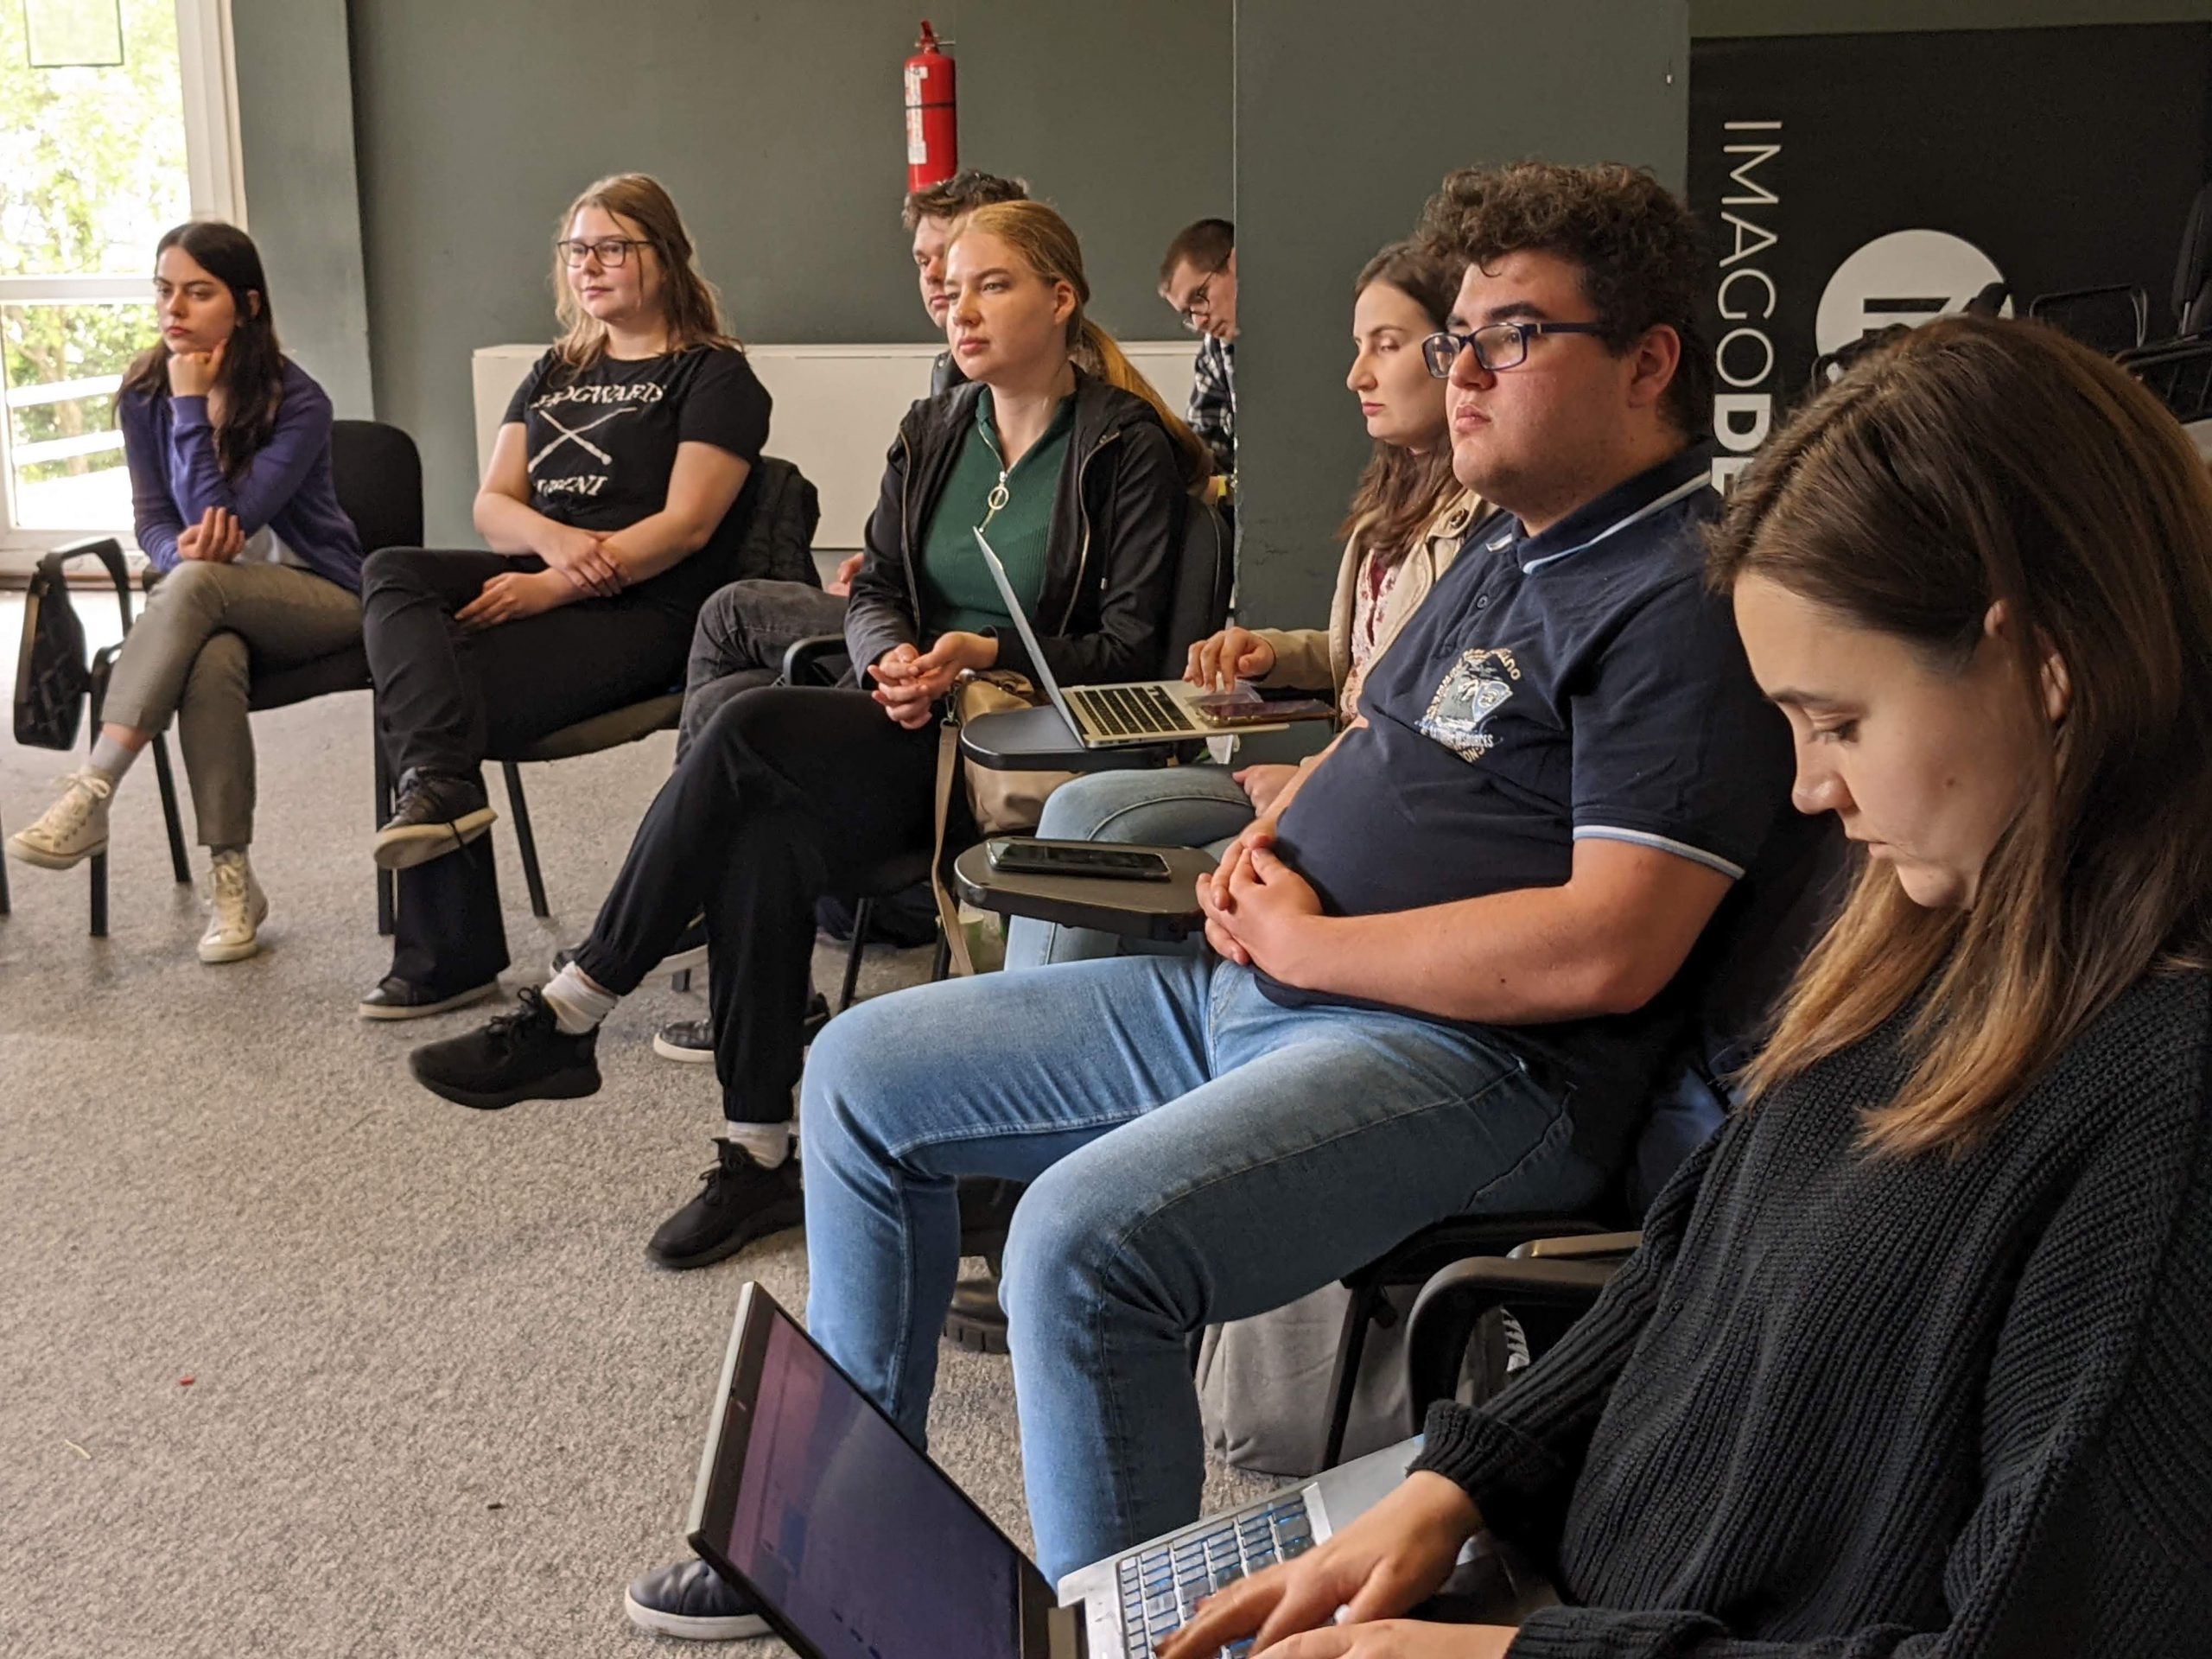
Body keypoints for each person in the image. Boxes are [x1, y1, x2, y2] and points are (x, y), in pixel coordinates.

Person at [613, 158, 1805, 1640]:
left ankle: (1112, 1633)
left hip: (1477, 1067)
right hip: (1278, 982)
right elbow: (1389, 733)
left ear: (1649, 362)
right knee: (858, 1075)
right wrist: (1293, 823)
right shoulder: (1516, 539)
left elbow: (1615, 945)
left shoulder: (1682, 595)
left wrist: (1321, 934)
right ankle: (854, 1528)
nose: (1461, 372)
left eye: (1510, 338)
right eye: (1457, 338)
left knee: (1078, 1247)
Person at [1160, 315, 2212, 1659]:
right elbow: (1687, 1273)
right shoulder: (1927, 933)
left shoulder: (2164, 1109)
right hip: (1565, 1589)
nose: (1810, 788)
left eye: (1841, 724)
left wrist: (1514, 1657)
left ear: (2045, 663)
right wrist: (1457, 1483)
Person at [406, 201, 1210, 1294]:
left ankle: (577, 1003)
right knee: (761, 831)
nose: (959, 309)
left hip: (1029, 755)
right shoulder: (934, 429)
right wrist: (888, 657)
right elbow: (875, 588)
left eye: (993, 285)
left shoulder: (1124, 447)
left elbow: (1130, 651)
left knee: (749, 726)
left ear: (1060, 300)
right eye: (952, 288)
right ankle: (756, 1155)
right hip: (912, 724)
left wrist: (977, 653)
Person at [355, 173, 771, 1020]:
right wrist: (556, 546)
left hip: (647, 610)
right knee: (395, 576)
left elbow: (686, 527)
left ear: (666, 257)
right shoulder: (555, 369)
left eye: (613, 247)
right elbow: (492, 504)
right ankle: (441, 786)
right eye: (577, 250)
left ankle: (447, 957)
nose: (589, 265)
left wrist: (552, 586)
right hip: (551, 570)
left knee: (427, 689)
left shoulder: (715, 376)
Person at [648, 167, 1035, 1061]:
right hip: (908, 624)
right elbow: (916, 540)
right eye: (924, 261)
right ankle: (727, 926)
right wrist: (886, 572)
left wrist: (898, 608)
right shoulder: (945, 386)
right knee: (740, 684)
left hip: (958, 655)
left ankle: (690, 887)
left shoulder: (1034, 392)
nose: (937, 280)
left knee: (734, 617)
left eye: (957, 261)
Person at [1007, 237, 1481, 969]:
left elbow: (1431, 714)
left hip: (1361, 792)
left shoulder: (1487, 522)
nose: (1357, 374)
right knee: (1076, 805)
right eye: (1359, 347)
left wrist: (1310, 777)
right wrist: (1273, 652)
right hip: (1335, 773)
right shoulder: (1397, 492)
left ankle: (1056, 1022)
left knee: (1104, 845)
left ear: (1456, 354)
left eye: (1386, 346)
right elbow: (1374, 653)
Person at [5, 220, 363, 964]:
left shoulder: (299, 401)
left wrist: (192, 407)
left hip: (320, 596)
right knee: (211, 659)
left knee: (198, 584)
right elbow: (156, 521)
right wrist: (176, 554)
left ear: (248, 304)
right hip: (210, 600)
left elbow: (223, 521)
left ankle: (94, 787)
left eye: (199, 293)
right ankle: (234, 882)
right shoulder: (144, 392)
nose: (174, 309)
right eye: (165, 290)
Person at [1160, 217, 1237, 482]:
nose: (1199, 321)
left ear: (1235, 264)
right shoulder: (1216, 350)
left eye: (1199, 296)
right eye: (1188, 313)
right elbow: (1205, 449)